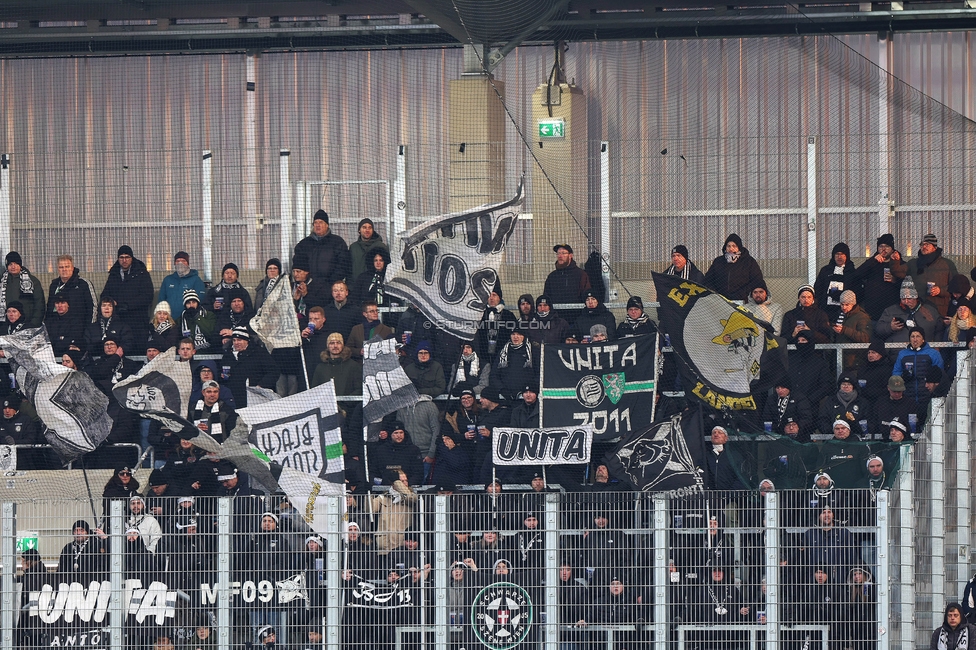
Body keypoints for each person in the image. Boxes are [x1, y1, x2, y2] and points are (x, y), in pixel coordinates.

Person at [102, 245, 154, 353]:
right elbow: (105, 295)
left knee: (138, 351)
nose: (124, 260)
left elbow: (147, 296)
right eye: (121, 257)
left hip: (138, 322)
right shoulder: (113, 274)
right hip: (119, 321)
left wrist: (126, 305)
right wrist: (111, 302)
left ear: (132, 258)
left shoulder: (142, 273)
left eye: (127, 257)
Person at [219, 327, 279, 408]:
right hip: (233, 398)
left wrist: (261, 386)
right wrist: (223, 377)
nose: (236, 343)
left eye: (239, 340)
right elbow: (223, 374)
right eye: (234, 340)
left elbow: (274, 371)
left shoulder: (258, 353)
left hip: (256, 398)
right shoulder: (227, 355)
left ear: (246, 340)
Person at [853, 233, 908, 322]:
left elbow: (906, 284)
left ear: (892, 248)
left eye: (887, 246)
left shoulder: (899, 263)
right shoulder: (872, 263)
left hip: (892, 308)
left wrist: (894, 280)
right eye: (881, 246)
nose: (883, 249)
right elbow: (857, 275)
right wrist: (873, 261)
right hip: (873, 309)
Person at [293, 209, 352, 286]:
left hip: (330, 287)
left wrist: (330, 282)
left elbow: (343, 266)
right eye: (315, 222)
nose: (318, 225)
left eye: (321, 222)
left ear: (327, 225)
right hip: (309, 288)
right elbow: (298, 265)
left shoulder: (337, 242)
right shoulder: (304, 244)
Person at [876, 279, 942, 346]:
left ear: (916, 297)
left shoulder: (930, 310)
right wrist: (890, 327)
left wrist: (937, 346)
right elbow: (878, 329)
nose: (906, 302)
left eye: (909, 298)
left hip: (924, 351)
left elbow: (939, 330)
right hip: (899, 351)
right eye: (903, 299)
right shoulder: (890, 311)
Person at [703, 233, 765, 303]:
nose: (731, 248)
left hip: (742, 301)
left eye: (734, 246)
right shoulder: (718, 261)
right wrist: (715, 294)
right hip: (720, 301)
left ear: (739, 247)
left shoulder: (749, 261)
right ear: (725, 247)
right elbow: (708, 280)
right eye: (728, 246)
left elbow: (756, 280)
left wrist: (743, 294)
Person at [908, 233, 958, 317]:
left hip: (939, 309)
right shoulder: (914, 263)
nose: (923, 247)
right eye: (922, 245)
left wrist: (940, 291)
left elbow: (955, 286)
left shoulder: (947, 264)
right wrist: (895, 261)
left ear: (934, 247)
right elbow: (900, 273)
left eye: (927, 244)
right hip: (918, 307)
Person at [892, 327, 945, 405]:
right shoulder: (902, 354)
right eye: (912, 336)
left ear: (923, 339)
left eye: (918, 336)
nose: (915, 339)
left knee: (926, 416)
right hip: (908, 395)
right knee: (911, 417)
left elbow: (939, 373)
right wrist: (902, 377)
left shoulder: (933, 353)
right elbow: (896, 372)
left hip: (928, 396)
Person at [543, 243, 591, 325]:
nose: (560, 256)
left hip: (576, 320)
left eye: (563, 253)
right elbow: (547, 297)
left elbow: (586, 295)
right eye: (558, 253)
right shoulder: (552, 276)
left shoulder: (581, 274)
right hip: (556, 321)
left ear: (570, 255)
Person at [814, 242, 858, 322]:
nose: (839, 257)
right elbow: (818, 288)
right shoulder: (826, 271)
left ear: (847, 256)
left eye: (842, 254)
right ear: (833, 256)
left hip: (844, 311)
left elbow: (856, 291)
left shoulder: (852, 272)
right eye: (837, 254)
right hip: (825, 309)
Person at [47, 254, 98, 324]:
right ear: (58, 269)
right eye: (61, 267)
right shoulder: (54, 285)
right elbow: (50, 307)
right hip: (58, 328)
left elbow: (93, 307)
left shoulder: (84, 284)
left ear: (72, 268)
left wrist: (89, 329)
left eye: (67, 267)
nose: (64, 269)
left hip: (78, 329)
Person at [0, 251, 45, 328]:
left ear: (20, 264)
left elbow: (39, 303)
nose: (13, 266)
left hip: (28, 325)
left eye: (16, 263)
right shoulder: (1, 281)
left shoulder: (33, 281)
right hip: (5, 326)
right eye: (10, 264)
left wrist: (35, 323)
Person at [157, 251, 207, 321]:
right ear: (174, 263)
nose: (180, 263)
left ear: (188, 263)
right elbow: (161, 300)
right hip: (169, 320)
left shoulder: (196, 280)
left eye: (183, 261)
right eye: (178, 261)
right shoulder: (168, 280)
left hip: (188, 320)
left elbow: (200, 300)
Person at [56, 520, 109, 585]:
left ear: (87, 532)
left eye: (81, 530)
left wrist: (105, 539)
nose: (78, 533)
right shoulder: (68, 547)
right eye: (76, 530)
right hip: (71, 585)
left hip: (92, 585)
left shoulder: (97, 545)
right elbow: (61, 568)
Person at [833, 290, 872, 372]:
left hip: (855, 359)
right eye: (842, 304)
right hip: (840, 356)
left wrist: (845, 330)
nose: (844, 307)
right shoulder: (839, 314)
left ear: (853, 304)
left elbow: (865, 338)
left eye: (847, 305)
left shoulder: (862, 317)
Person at [348, 217, 389, 281]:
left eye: (370, 227)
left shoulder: (380, 246)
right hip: (356, 287)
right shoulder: (353, 247)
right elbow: (349, 269)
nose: (367, 230)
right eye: (364, 227)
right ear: (359, 230)